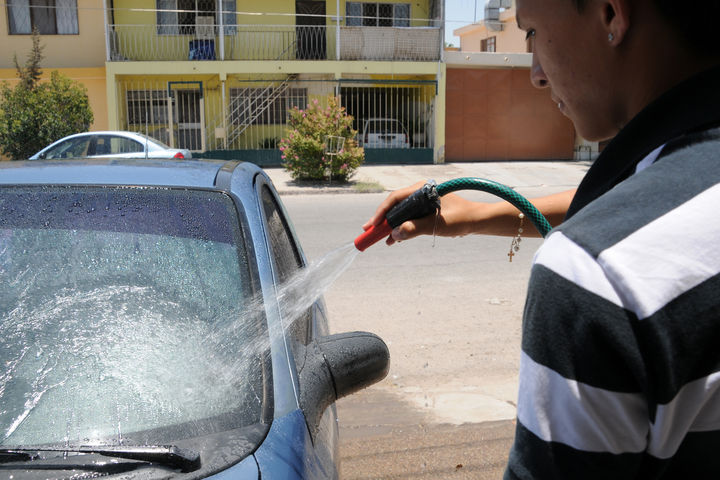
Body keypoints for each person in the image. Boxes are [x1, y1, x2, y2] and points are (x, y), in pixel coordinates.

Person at [363, 0, 720, 477]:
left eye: (531, 34)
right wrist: (476, 214)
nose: (536, 75)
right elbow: (642, 197)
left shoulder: (596, 275)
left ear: (612, 14)